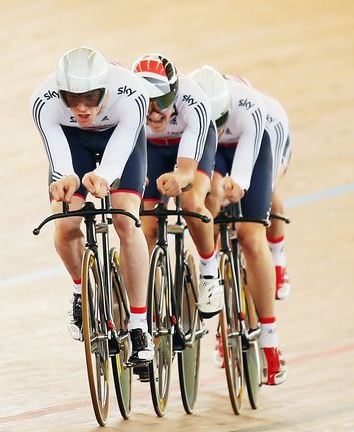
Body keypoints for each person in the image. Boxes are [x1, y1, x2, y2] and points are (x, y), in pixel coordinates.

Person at [30, 47, 153, 364]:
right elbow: (59, 158)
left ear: (106, 90)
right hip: (74, 142)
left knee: (126, 219)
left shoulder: (132, 92)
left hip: (119, 138)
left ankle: (139, 326)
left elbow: (120, 151)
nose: (82, 108)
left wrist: (105, 176)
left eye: (91, 98)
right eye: (72, 99)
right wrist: (63, 178)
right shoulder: (44, 101)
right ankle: (80, 290)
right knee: (66, 221)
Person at [189, 65, 287, 385]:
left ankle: (270, 342)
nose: (215, 128)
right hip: (211, 154)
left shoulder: (250, 107)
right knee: (211, 213)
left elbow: (245, 170)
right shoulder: (191, 108)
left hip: (253, 150)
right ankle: (222, 318)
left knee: (250, 237)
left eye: (218, 123)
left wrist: (239, 183)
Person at [131, 54, 223, 317]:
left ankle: (209, 274)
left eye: (162, 101)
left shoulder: (194, 100)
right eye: (147, 103)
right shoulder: (130, 104)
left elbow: (186, 173)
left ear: (174, 92)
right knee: (146, 224)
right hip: (153, 149)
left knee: (192, 203)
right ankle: (145, 305)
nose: (154, 111)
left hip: (194, 144)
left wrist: (179, 180)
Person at [225, 74, 294, 300]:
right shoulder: (226, 114)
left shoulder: (270, 115)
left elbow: (267, 173)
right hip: (233, 142)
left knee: (268, 190)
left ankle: (278, 260)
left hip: (273, 143)